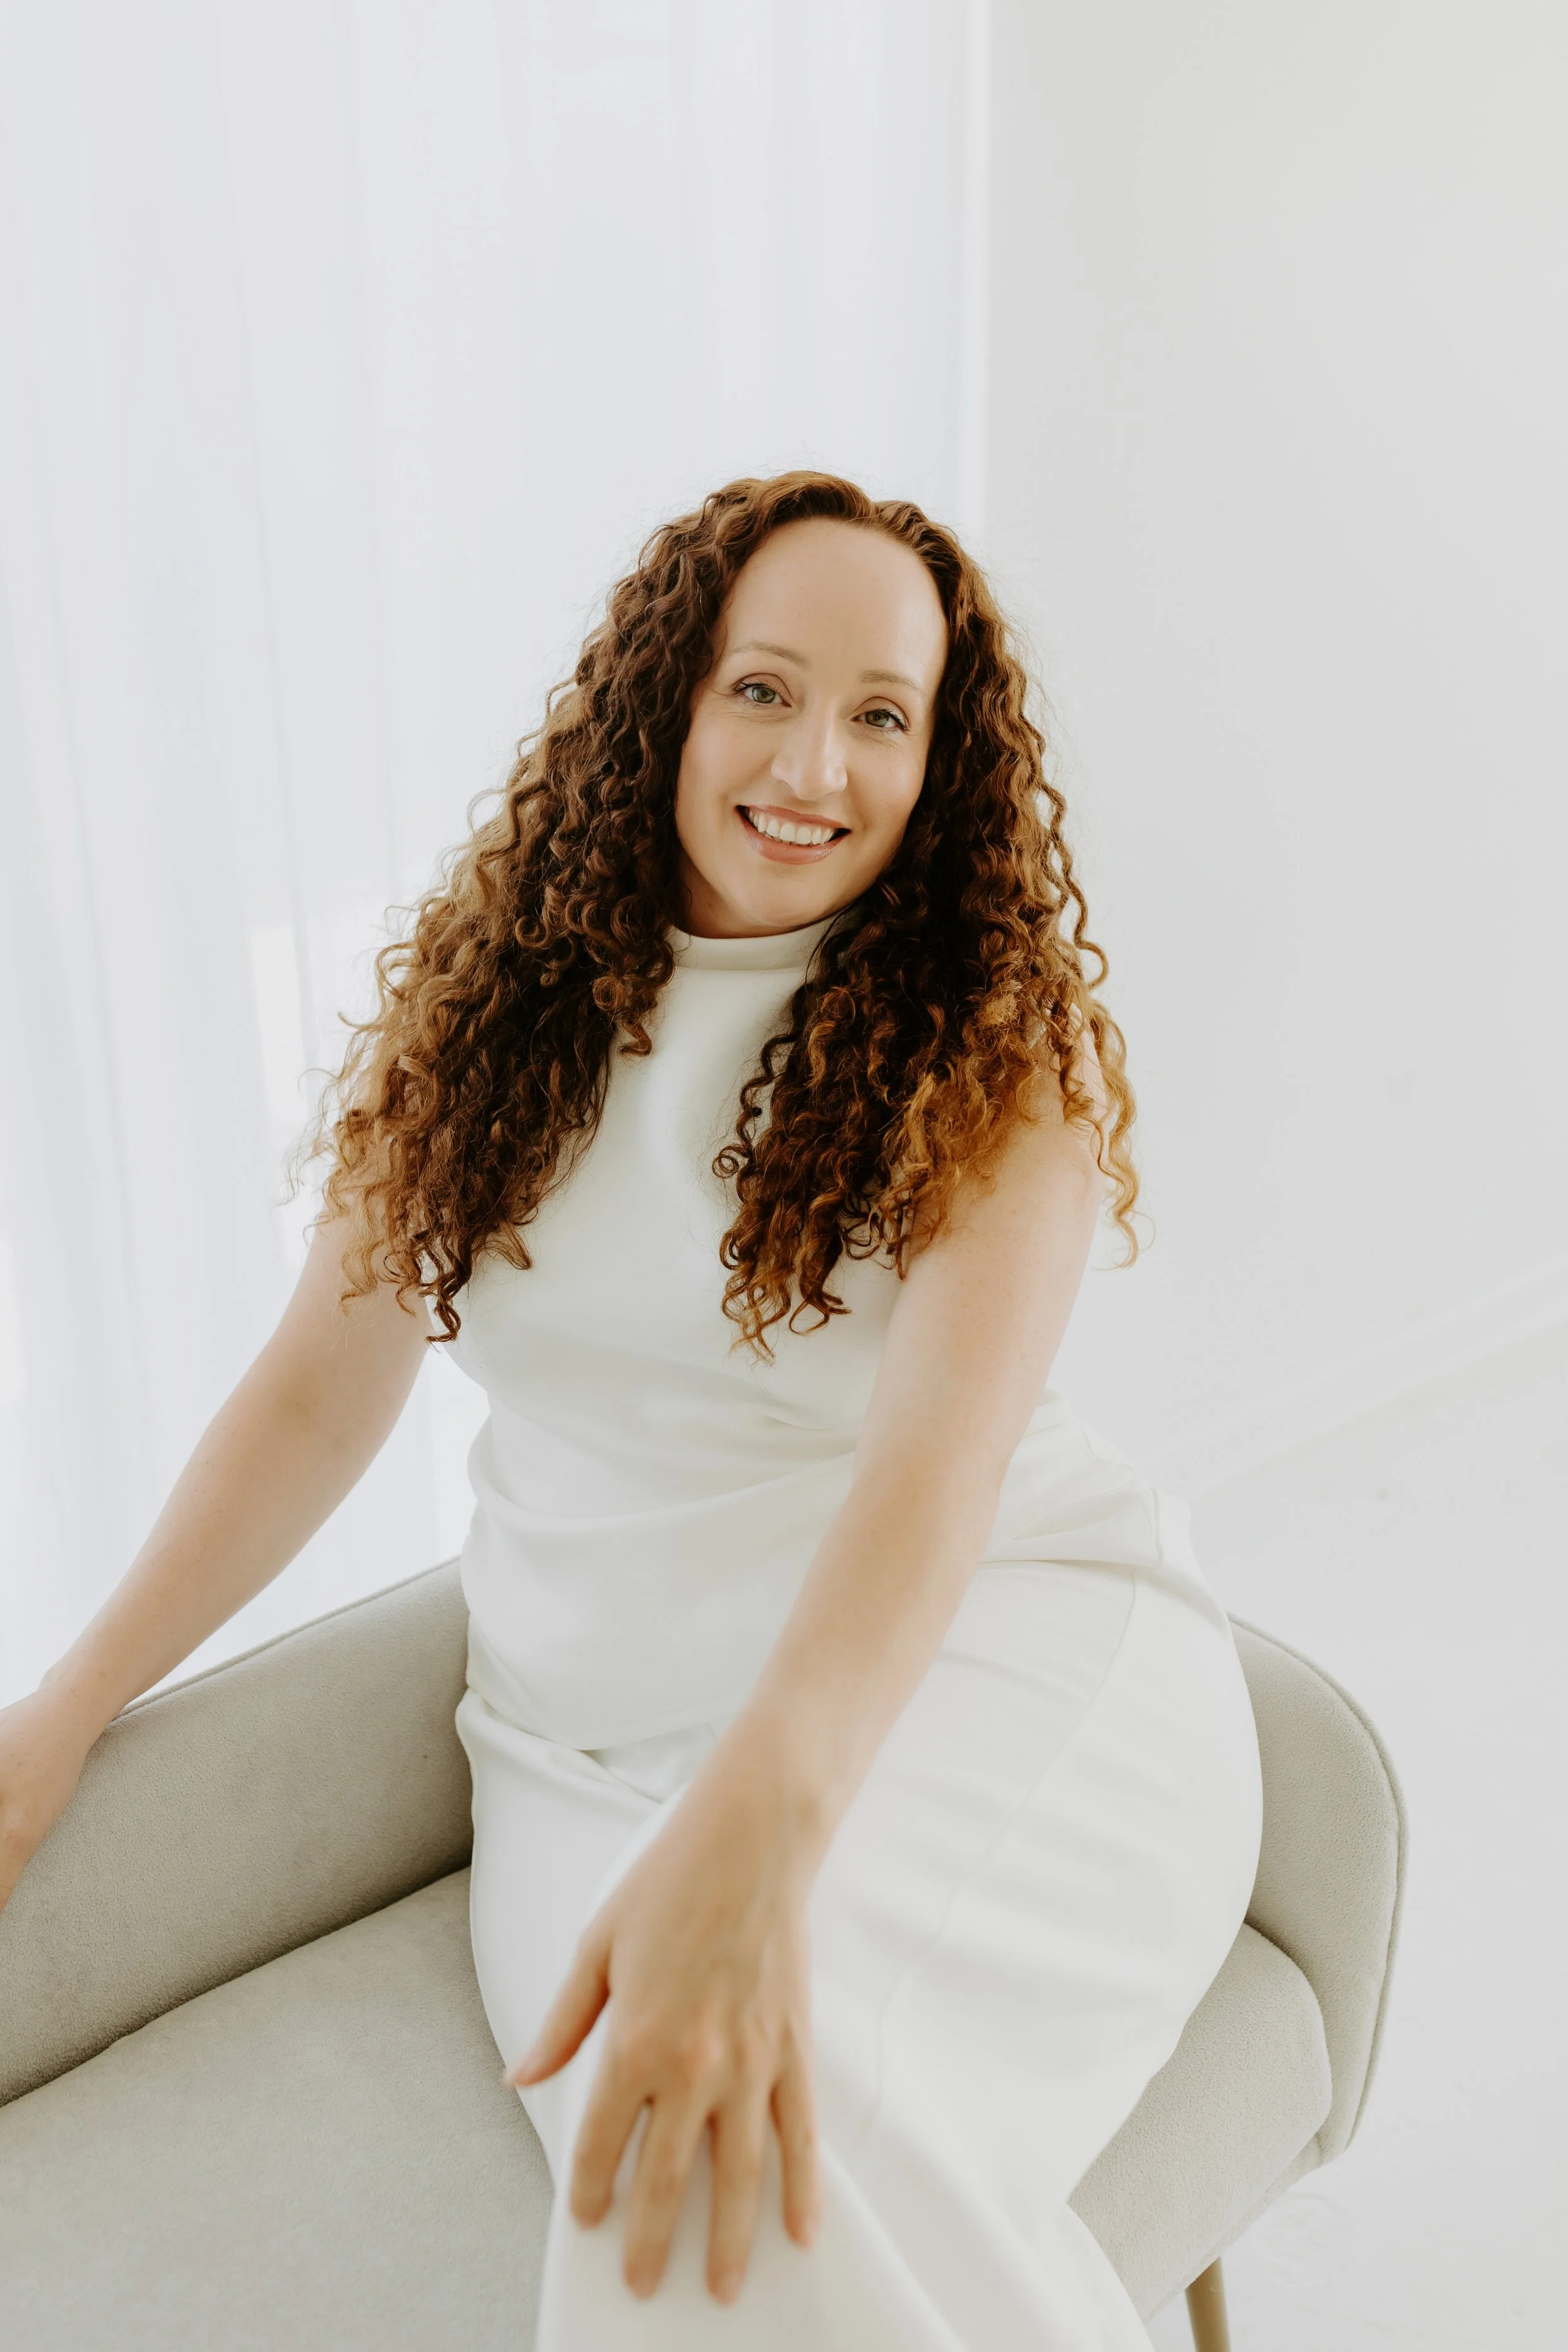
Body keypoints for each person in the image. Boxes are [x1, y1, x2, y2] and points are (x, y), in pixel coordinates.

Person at [0, 471, 1263, 2348]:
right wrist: (62, 1712)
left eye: (880, 714)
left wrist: (752, 1843)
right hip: (580, 1755)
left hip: (984, 1667)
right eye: (763, 686)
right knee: (668, 2186)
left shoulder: (1002, 1055)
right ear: (667, 693)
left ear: (941, 765)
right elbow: (308, 1393)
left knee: (786, 2141)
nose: (811, 760)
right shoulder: (493, 1003)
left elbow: (933, 1485)